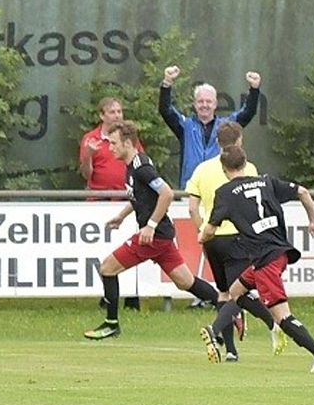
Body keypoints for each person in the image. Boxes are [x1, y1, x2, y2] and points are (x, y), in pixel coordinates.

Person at [199, 145, 314, 372]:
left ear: (224, 169)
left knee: (283, 315)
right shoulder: (266, 182)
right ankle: (263, 328)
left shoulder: (224, 193)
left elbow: (210, 231)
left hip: (266, 259)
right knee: (236, 291)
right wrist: (313, 220)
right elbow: (302, 192)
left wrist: (201, 236)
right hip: (277, 252)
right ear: (245, 163)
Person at [83, 121, 220, 340]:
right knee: (185, 282)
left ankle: (111, 324)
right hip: (162, 236)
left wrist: (150, 225)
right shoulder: (132, 165)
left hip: (154, 237)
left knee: (107, 268)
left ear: (128, 143)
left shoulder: (141, 167)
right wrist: (122, 216)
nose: (111, 148)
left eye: (114, 144)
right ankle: (228, 308)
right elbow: (140, 196)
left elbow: (166, 194)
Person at [186, 121, 286, 362]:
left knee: (223, 293)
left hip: (213, 240)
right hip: (238, 237)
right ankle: (272, 323)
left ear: (217, 142)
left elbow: (192, 208)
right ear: (239, 141)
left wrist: (203, 232)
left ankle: (231, 350)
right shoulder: (247, 167)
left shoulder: (202, 169)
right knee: (238, 294)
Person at [78, 97, 142, 310]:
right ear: (102, 115)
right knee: (105, 251)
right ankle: (108, 295)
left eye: (119, 111)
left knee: (130, 248)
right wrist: (89, 155)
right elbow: (86, 175)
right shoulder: (91, 139)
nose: (118, 115)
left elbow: (138, 162)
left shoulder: (129, 138)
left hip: (126, 199)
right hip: (101, 201)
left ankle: (133, 296)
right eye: (113, 112)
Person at [159, 65, 262, 189]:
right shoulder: (185, 126)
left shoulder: (226, 126)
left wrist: (254, 89)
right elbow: (166, 110)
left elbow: (248, 112)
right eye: (200, 101)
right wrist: (167, 83)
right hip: (190, 191)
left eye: (208, 101)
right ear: (195, 104)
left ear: (215, 104)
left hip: (220, 191)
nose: (204, 105)